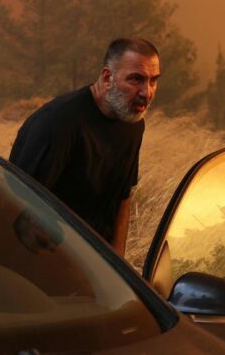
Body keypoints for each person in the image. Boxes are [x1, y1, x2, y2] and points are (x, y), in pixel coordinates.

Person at [8, 37, 160, 257]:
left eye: (153, 81)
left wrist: (118, 265)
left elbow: (123, 196)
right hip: (46, 263)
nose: (147, 92)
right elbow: (15, 205)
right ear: (107, 78)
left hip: (97, 266)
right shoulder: (58, 123)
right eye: (136, 80)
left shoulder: (133, 124)